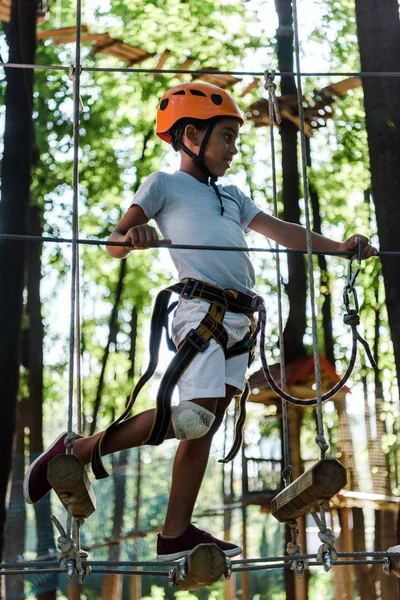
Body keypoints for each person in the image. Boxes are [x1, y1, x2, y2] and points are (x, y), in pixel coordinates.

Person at [24, 82, 377, 562]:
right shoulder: (164, 185)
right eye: (226, 137)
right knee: (193, 417)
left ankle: (175, 534)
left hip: (239, 324)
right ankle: (79, 449)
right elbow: (113, 240)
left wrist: (338, 247)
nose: (234, 149)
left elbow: (283, 231)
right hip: (201, 312)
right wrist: (135, 236)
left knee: (202, 428)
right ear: (192, 135)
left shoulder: (232, 196)